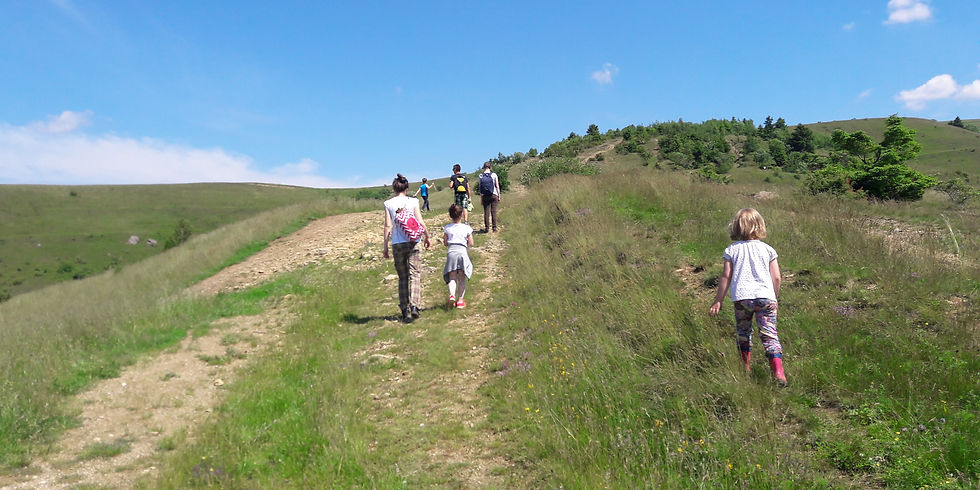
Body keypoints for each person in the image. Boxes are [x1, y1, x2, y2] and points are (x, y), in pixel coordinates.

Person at [708, 208, 786, 386]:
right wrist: (774, 297)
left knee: (744, 332)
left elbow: (726, 276)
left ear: (736, 227)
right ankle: (778, 373)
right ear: (760, 225)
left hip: (742, 298)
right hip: (766, 297)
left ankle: (745, 368)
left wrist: (718, 300)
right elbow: (776, 277)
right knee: (769, 334)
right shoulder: (768, 250)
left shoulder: (732, 250)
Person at [383, 174, 431, 322]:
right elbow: (420, 221)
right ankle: (415, 306)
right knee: (415, 274)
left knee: (402, 277)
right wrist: (427, 236)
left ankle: (405, 310)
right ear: (407, 188)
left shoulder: (388, 204)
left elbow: (388, 226)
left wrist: (385, 246)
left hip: (397, 243)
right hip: (413, 241)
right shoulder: (413, 201)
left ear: (394, 188)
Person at [442, 203, 474, 309]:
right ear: (462, 214)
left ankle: (452, 295)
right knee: (461, 277)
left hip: (451, 252)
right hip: (462, 252)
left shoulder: (447, 228)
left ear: (450, 215)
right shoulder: (466, 228)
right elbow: (471, 243)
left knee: (452, 277)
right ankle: (460, 300)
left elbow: (445, 242)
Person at [477, 162, 501, 232]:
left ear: (484, 167)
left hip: (485, 195)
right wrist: (499, 196)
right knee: (494, 211)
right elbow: (497, 186)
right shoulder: (494, 175)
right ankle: (494, 228)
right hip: (494, 194)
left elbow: (480, 188)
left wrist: (481, 198)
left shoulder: (480, 176)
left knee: (486, 212)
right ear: (490, 167)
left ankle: (487, 228)